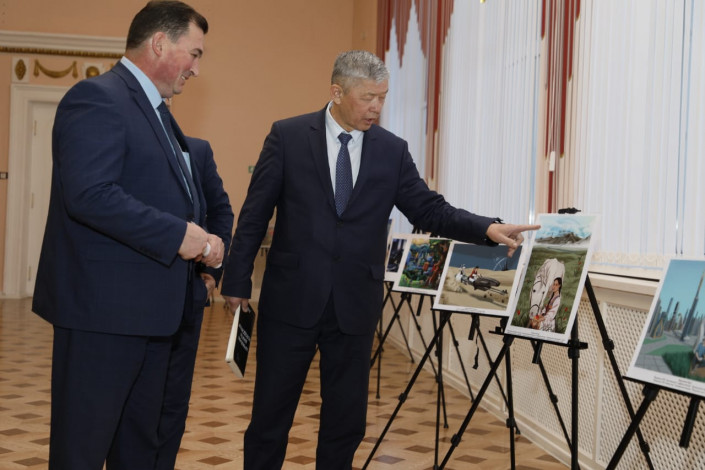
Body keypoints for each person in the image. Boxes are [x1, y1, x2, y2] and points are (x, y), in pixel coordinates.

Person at [219, 50, 539, 469]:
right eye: (368, 97)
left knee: (346, 420)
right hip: (290, 300)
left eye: (383, 97)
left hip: (354, 303)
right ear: (337, 92)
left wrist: (487, 228)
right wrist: (237, 282)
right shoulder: (288, 136)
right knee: (270, 417)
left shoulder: (392, 150)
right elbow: (254, 214)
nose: (376, 107)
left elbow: (429, 209)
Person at [31, 2, 221, 469]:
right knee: (82, 451)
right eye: (194, 53)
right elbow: (90, 195)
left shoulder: (157, 113)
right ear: (159, 43)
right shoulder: (98, 97)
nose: (197, 68)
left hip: (152, 318)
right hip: (102, 319)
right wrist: (180, 235)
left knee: (137, 451)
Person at [155, 135, 234, 469]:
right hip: (130, 299)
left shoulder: (196, 150)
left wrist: (212, 273)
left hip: (187, 296)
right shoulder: (123, 140)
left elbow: (221, 212)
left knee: (174, 400)